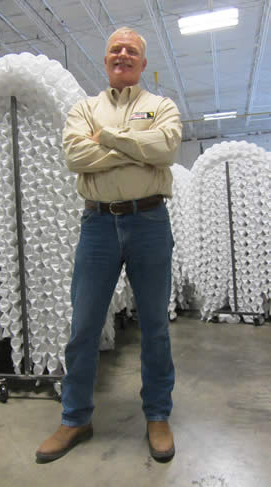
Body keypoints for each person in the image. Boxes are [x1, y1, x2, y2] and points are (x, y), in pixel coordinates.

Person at [36, 26, 182, 464]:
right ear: (106, 61)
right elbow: (75, 156)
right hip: (98, 224)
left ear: (141, 63)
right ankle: (75, 418)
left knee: (155, 325)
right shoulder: (84, 108)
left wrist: (111, 139)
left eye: (131, 51)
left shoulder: (161, 105)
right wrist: (140, 149)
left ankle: (157, 415)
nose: (122, 54)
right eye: (115, 49)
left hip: (150, 221)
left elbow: (167, 148)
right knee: (83, 327)